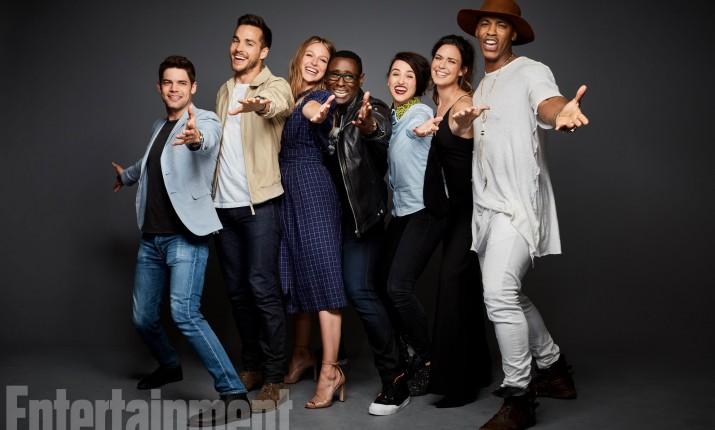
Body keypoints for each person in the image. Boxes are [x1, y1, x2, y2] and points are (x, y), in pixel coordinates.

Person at [456, 0, 587, 428]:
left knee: (498, 295)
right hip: (486, 209)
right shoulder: (480, 87)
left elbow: (547, 102)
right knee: (507, 293)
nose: (491, 32)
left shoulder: (531, 70)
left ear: (513, 34)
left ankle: (520, 396)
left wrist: (562, 112)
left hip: (517, 206)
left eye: (501, 25)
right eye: (485, 24)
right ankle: (554, 369)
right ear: (478, 31)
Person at [111, 55, 248, 427]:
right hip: (151, 239)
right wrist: (127, 176)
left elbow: (206, 142)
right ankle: (170, 365)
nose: (174, 89)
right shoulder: (159, 125)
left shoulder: (204, 120)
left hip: (185, 237)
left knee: (185, 314)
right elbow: (150, 162)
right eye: (168, 83)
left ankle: (234, 394)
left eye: (181, 83)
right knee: (142, 318)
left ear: (193, 87)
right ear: (159, 88)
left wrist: (195, 139)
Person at [211, 13, 294, 414]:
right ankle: (252, 366)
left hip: (259, 205)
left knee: (263, 288)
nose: (239, 48)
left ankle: (275, 377)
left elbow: (278, 104)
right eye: (236, 40)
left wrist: (260, 104)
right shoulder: (224, 90)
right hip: (222, 207)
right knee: (238, 292)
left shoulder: (275, 85)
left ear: (263, 52)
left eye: (249, 42)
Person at [322, 50, 410, 415]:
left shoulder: (372, 109)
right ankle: (331, 363)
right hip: (328, 222)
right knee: (325, 291)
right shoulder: (321, 109)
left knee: (360, 290)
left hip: (362, 221)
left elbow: (381, 132)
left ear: (360, 80)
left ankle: (395, 378)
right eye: (335, 75)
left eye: (349, 76)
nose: (341, 82)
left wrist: (369, 126)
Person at [278, 36, 346, 409]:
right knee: (299, 276)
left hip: (313, 190)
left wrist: (318, 113)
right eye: (310, 55)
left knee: (323, 278)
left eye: (323, 59)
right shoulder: (286, 96)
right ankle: (301, 353)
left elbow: (316, 112)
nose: (315, 63)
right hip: (287, 194)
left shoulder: (319, 98)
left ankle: (331, 370)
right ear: (299, 57)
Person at [425, 34, 493, 408]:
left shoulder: (463, 104)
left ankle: (459, 385)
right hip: (449, 211)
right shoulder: (435, 100)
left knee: (452, 282)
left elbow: (465, 129)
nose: (441, 65)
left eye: (451, 61)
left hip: (470, 210)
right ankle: (477, 371)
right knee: (463, 286)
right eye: (438, 57)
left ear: (464, 70)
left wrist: (465, 123)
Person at [376, 51, 447, 398]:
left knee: (398, 288)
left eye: (409, 75)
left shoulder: (419, 113)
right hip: (402, 211)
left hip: (425, 210)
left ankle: (430, 360)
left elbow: (423, 128)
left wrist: (423, 130)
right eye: (395, 73)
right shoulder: (391, 116)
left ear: (419, 83)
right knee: (379, 284)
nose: (401, 80)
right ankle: (407, 354)